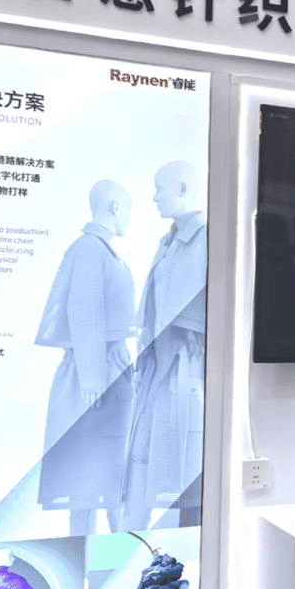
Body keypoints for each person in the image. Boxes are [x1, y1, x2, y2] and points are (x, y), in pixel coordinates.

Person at [36, 180, 136, 535]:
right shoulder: (91, 249)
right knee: (90, 481)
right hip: (97, 378)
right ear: (114, 207)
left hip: (109, 372)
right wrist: (92, 377)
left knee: (109, 478)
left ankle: (115, 554)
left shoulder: (100, 250)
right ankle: (89, 557)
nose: (130, 216)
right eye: (127, 208)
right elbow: (84, 311)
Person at [121, 162, 206, 531]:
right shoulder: (168, 242)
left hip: (186, 372)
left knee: (183, 474)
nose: (154, 197)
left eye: (160, 188)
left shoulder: (207, 239)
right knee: (142, 464)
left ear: (183, 188)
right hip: (159, 370)